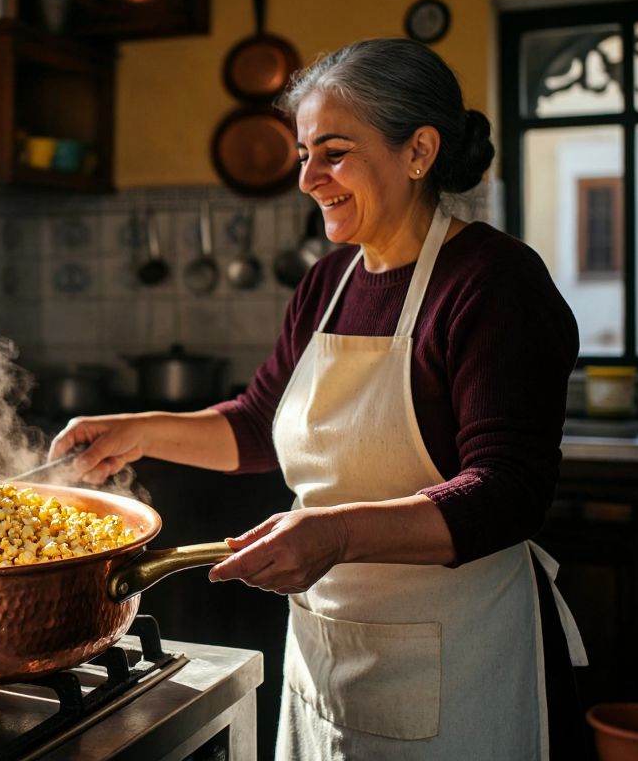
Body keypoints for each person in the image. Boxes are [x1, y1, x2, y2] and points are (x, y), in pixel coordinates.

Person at [49, 39, 587, 759]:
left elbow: (508, 492)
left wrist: (333, 533)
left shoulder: (494, 282)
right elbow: (259, 424)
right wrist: (137, 431)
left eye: (333, 152)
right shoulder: (328, 283)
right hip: (329, 649)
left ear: (419, 151)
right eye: (304, 154)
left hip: (464, 653)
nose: (308, 179)